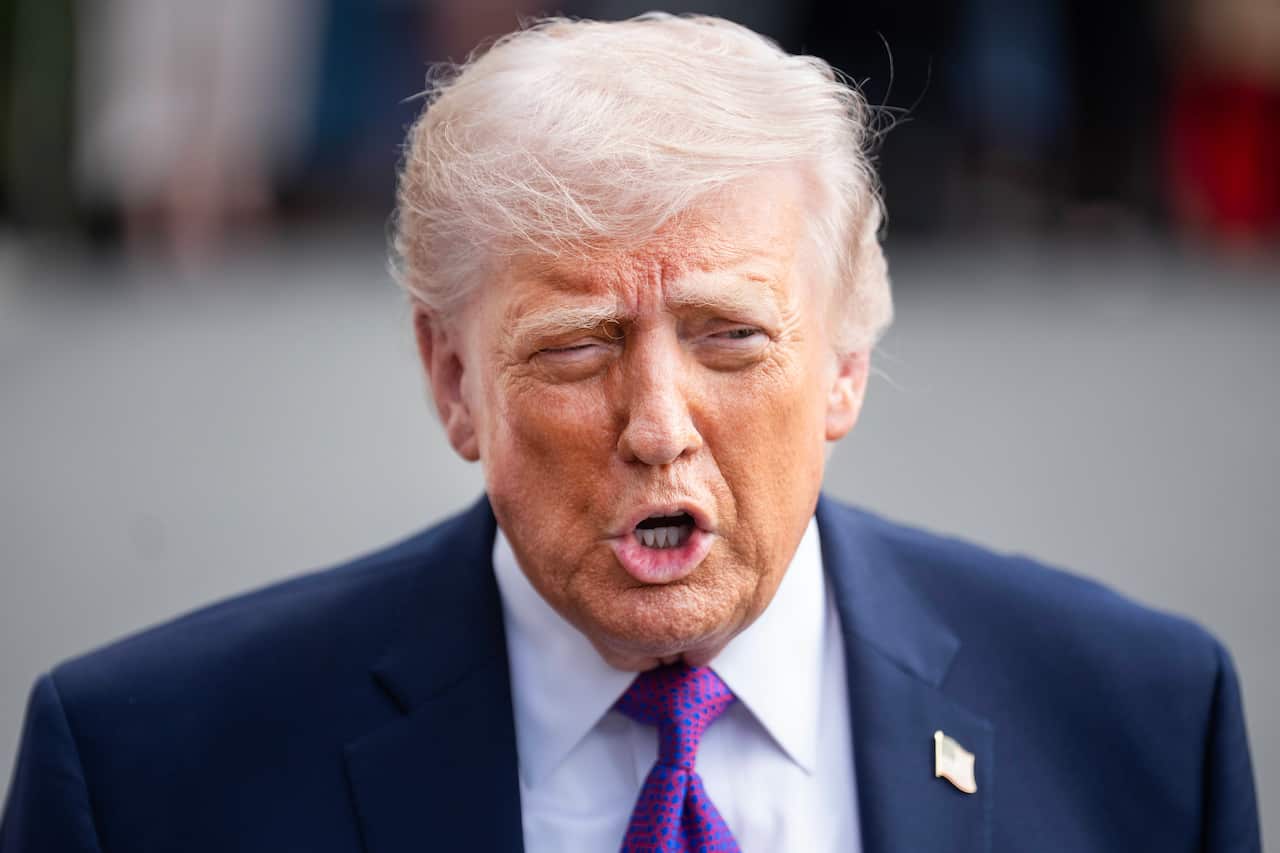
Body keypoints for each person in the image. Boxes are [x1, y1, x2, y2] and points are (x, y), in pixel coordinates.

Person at [0, 14, 1261, 853]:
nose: (658, 428)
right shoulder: (146, 777)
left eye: (730, 337)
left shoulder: (1141, 727)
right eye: (574, 347)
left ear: (843, 365)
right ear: (451, 381)